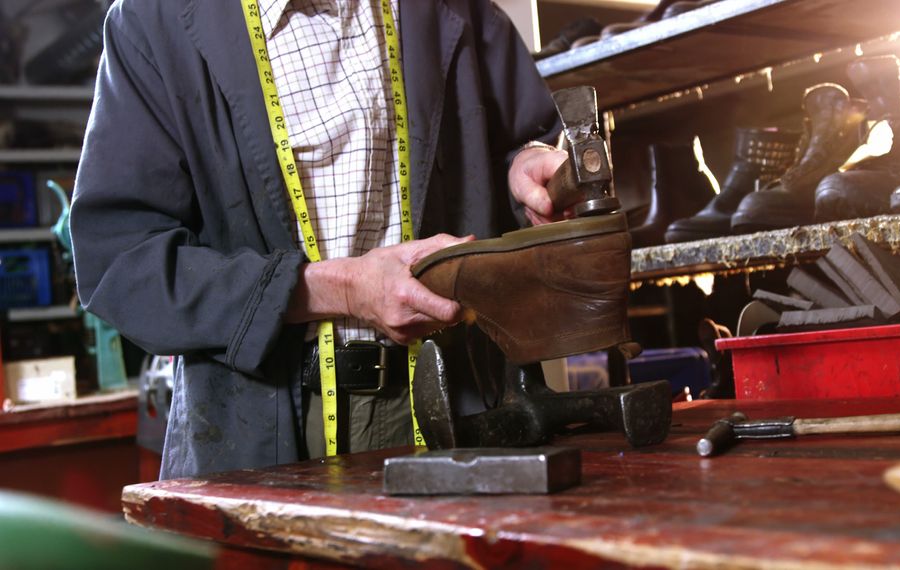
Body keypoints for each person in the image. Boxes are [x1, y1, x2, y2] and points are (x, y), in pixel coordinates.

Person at [70, 0, 569, 479]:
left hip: (459, 403)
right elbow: (120, 262)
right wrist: (344, 287)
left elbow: (517, 141)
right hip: (262, 428)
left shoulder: (449, 7)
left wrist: (525, 170)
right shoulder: (152, 21)